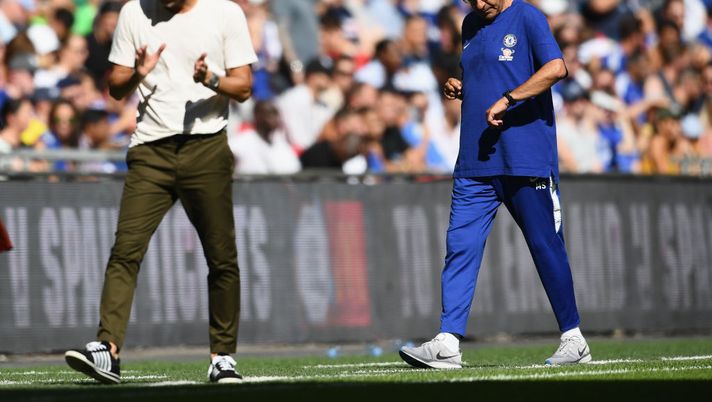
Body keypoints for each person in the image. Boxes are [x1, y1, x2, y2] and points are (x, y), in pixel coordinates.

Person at [63, 0, 257, 384]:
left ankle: (222, 356)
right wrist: (138, 73)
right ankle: (109, 350)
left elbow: (244, 86)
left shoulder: (225, 12)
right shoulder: (134, 13)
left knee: (221, 257)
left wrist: (211, 80)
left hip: (206, 146)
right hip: (150, 148)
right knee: (125, 250)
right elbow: (116, 87)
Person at [399, 0, 591, 369]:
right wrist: (462, 86)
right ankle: (448, 341)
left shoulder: (529, 17)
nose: (478, 3)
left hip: (525, 157)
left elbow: (556, 67)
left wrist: (510, 98)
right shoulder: (470, 24)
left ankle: (574, 338)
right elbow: (488, 78)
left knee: (544, 246)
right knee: (460, 245)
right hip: (476, 161)